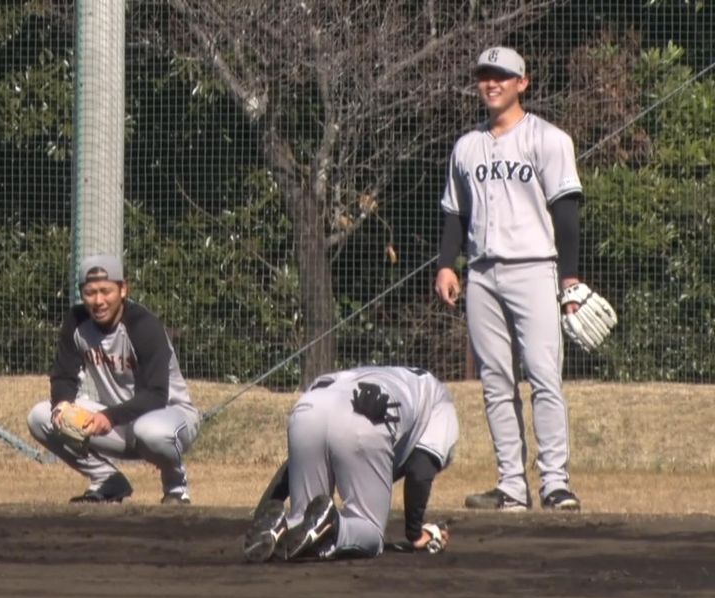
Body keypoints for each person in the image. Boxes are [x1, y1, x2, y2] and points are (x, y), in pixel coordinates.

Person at [435, 46, 584, 513]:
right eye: (484, 75)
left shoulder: (548, 138)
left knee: (544, 377)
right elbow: (455, 213)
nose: (492, 82)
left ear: (524, 82)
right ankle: (512, 486)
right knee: (496, 382)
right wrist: (446, 263)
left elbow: (566, 213)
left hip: (535, 269)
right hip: (481, 274)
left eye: (502, 75)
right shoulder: (466, 146)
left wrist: (570, 280)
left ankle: (555, 483)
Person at [27, 254, 201, 504]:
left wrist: (110, 416)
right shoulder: (76, 323)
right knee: (41, 416)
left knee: (149, 431)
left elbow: (156, 394)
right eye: (90, 292)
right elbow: (64, 376)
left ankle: (175, 489)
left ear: (123, 289)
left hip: (170, 417)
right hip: (119, 424)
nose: (98, 301)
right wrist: (62, 405)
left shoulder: (144, 325)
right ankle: (108, 481)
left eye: (105, 291)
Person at [242, 366, 459, 562]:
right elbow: (420, 471)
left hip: (309, 406)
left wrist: (262, 513)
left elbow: (291, 467)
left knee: (303, 521)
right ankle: (335, 525)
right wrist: (416, 534)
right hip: (364, 415)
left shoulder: (403, 379)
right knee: (370, 530)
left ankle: (278, 527)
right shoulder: (442, 403)